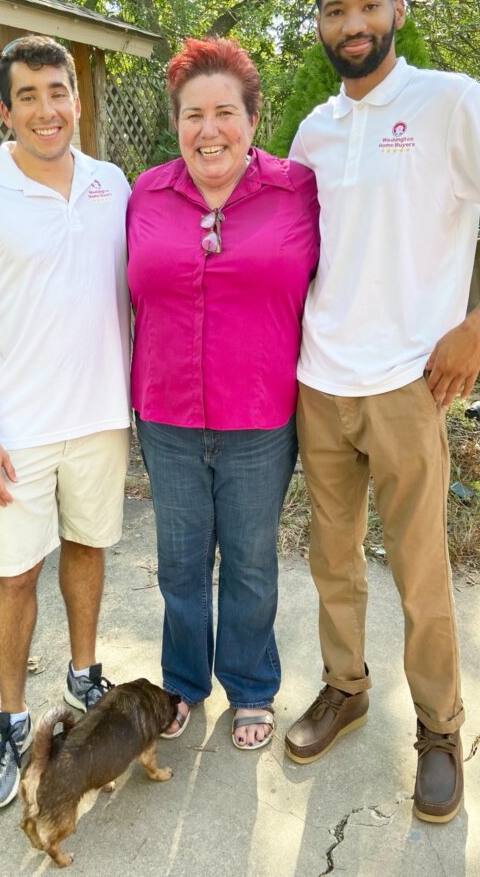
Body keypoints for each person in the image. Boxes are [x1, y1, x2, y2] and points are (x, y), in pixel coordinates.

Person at [285, 0, 480, 822]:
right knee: (331, 559)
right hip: (320, 381)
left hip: (406, 385)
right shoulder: (313, 130)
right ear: (320, 23)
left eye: (367, 5)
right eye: (334, 10)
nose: (351, 24)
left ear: (398, 9)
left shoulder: (450, 102)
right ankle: (345, 688)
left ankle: (439, 728)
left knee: (421, 573)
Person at [0, 34, 132, 809]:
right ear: (6, 111)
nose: (47, 111)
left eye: (58, 93)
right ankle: (13, 721)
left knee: (88, 546)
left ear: (76, 100)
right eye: (29, 97)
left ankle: (83, 677)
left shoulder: (112, 184)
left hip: (101, 418)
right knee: (15, 574)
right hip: (16, 433)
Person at [127, 37, 319, 750]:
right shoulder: (144, 194)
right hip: (166, 415)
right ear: (176, 123)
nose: (209, 130)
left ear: (252, 119)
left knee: (249, 562)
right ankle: (182, 682)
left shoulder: (298, 191)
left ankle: (251, 685)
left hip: (260, 417)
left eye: (225, 113)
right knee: (181, 563)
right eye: (193, 115)